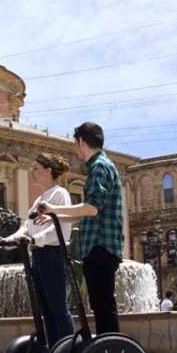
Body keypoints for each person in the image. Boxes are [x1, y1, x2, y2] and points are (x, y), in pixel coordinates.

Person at [36, 122, 124, 334]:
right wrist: (55, 218)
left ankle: (109, 350)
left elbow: (92, 208)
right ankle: (107, 347)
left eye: (76, 143)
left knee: (103, 306)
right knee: (101, 305)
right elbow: (91, 213)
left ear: (81, 142)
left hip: (100, 246)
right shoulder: (100, 166)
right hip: (99, 245)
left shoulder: (99, 167)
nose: (75, 148)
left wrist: (55, 209)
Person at [0, 153, 75, 347]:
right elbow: (25, 228)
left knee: (58, 308)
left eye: (36, 168)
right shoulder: (39, 200)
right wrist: (6, 240)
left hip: (52, 255)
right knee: (45, 310)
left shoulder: (60, 194)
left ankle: (68, 350)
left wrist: (36, 239)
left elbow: (62, 229)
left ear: (48, 170)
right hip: (36, 255)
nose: (32, 172)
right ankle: (55, 349)